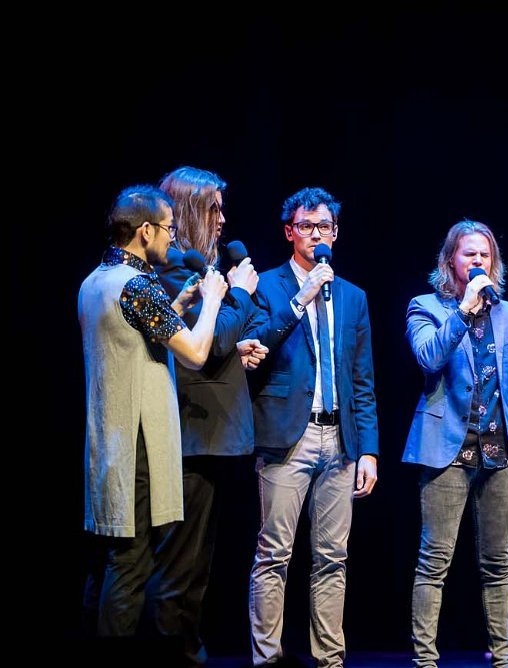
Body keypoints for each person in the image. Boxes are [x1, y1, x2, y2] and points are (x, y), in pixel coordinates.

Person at [80, 185, 227, 637]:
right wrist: (214, 299)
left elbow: (128, 336)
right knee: (131, 566)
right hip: (136, 447)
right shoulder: (138, 286)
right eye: (168, 229)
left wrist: (177, 305)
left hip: (108, 440)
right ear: (145, 231)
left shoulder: (96, 280)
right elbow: (195, 354)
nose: (172, 238)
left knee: (108, 563)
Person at [402, 219, 508, 668]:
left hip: (499, 452)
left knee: (498, 565)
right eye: (470, 254)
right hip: (447, 450)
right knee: (434, 562)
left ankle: (505, 660)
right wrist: (463, 312)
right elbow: (429, 357)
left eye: (485, 254)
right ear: (451, 261)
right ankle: (425, 661)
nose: (479, 261)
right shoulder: (425, 306)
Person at [245, 187, 379, 668]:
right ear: (290, 232)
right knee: (273, 555)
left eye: (324, 226)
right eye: (306, 226)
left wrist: (368, 450)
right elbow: (255, 347)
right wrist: (301, 299)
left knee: (332, 559)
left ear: (335, 233)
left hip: (340, 440)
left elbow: (362, 379)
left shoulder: (353, 297)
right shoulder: (266, 285)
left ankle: (330, 660)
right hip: (287, 438)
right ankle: (268, 660)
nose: (315, 235)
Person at [153, 166, 264, 666]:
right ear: (189, 211)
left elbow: (225, 338)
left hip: (211, 438)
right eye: (213, 209)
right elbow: (212, 341)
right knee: (179, 569)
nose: (222, 219)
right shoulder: (176, 268)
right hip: (190, 438)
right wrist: (238, 293)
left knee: (197, 569)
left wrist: (236, 334)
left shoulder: (202, 269)